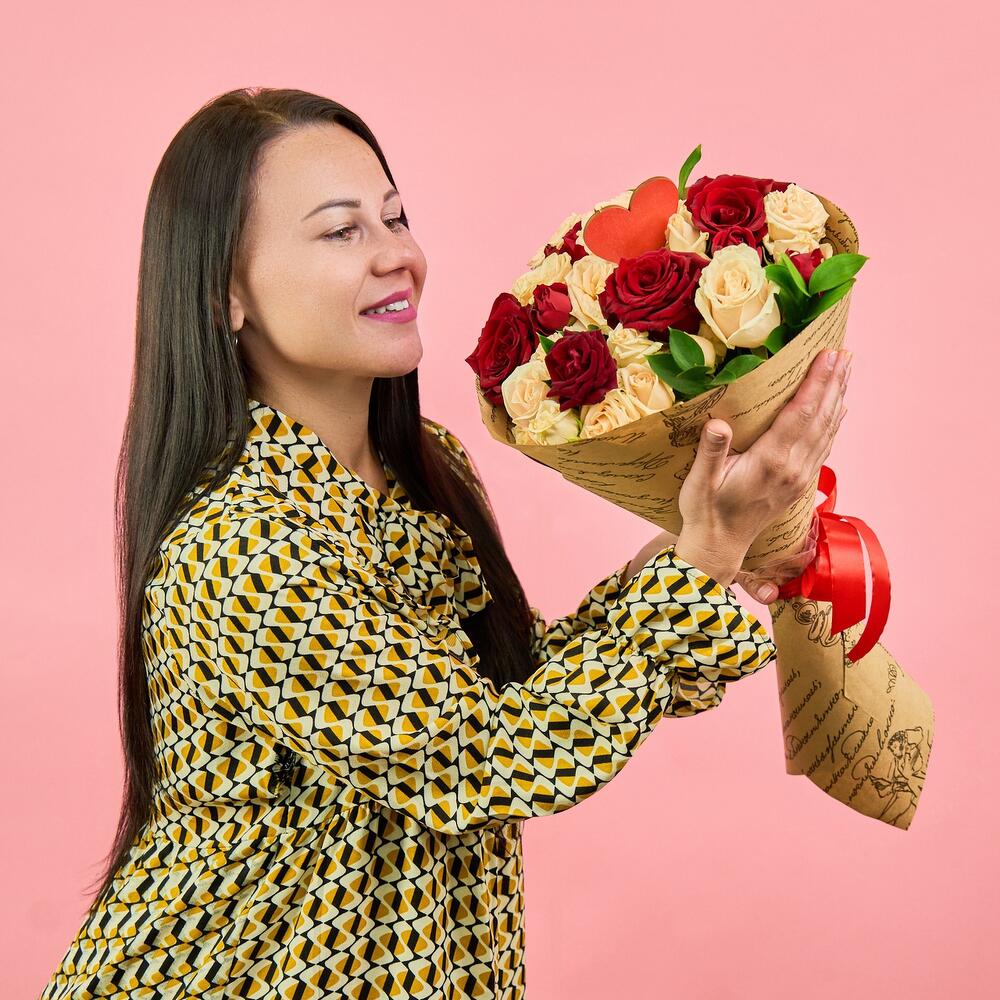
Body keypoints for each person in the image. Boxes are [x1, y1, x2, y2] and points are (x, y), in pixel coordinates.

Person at [39, 87, 851, 999]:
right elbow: (484, 759)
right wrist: (704, 557)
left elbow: (516, 689)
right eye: (341, 231)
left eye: (395, 217)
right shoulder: (241, 547)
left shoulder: (426, 473)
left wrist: (703, 542)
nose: (399, 255)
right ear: (228, 292)